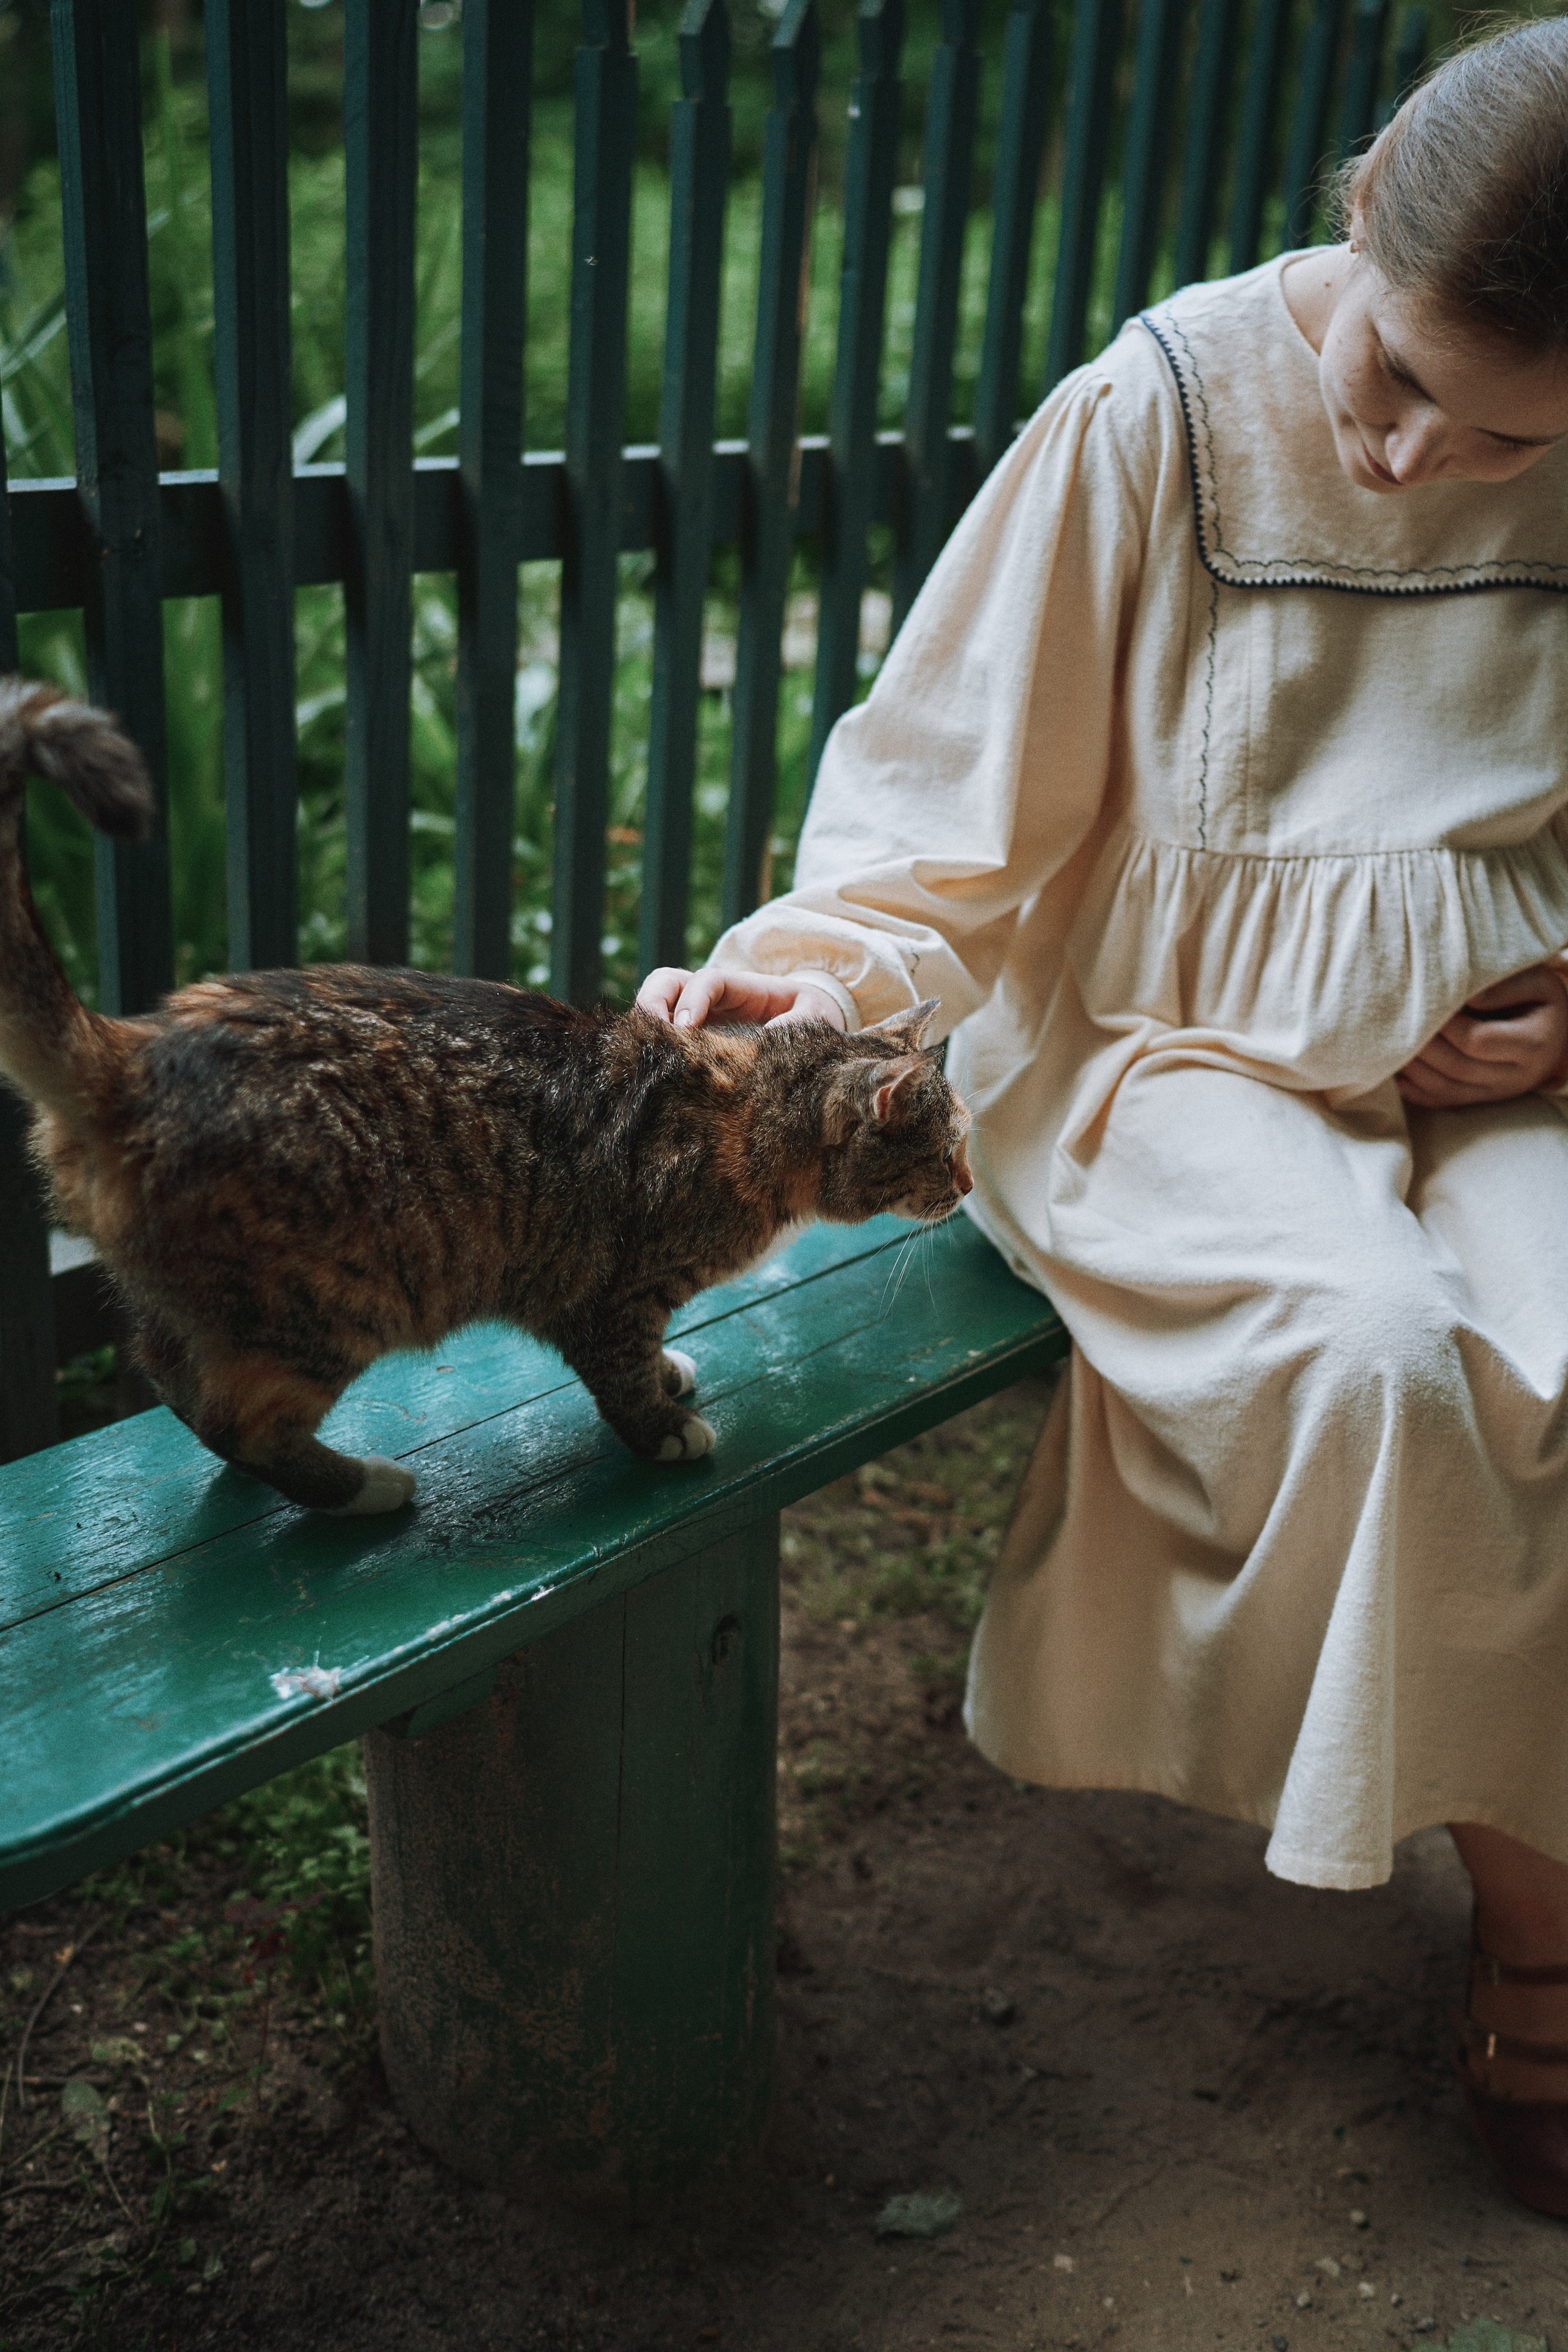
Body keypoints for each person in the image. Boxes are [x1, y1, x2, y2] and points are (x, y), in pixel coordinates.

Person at [638, 17, 1568, 2212]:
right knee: (1383, 1362)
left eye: (1503, 429)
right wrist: (810, 991)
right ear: (1358, 208)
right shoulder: (1159, 409)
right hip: (1166, 1053)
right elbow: (941, 822)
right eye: (1399, 380)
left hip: (1505, 1063)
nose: (1420, 454)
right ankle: (1541, 1942)